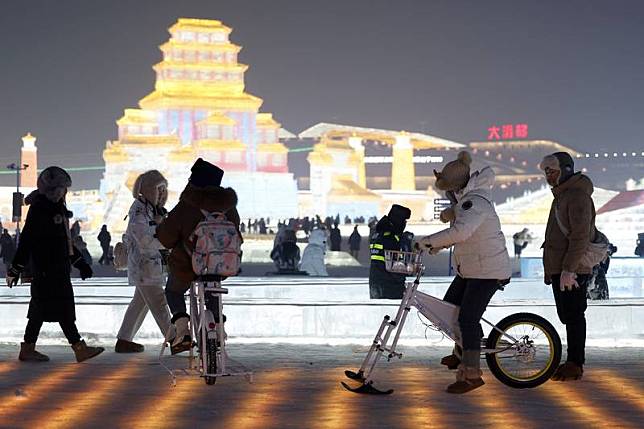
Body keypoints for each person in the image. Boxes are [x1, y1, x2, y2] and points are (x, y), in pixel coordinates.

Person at [420, 151, 511, 394]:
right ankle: (461, 353)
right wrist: (438, 243)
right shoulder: (464, 201)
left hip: (488, 271)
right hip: (472, 268)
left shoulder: (475, 203)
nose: (446, 192)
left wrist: (427, 241)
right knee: (450, 307)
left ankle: (471, 374)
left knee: (468, 319)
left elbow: (461, 233)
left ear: (457, 184)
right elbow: (463, 234)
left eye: (447, 187)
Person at [5, 166, 103, 362]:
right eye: (59, 189)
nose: (62, 193)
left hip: (57, 268)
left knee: (43, 309)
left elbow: (64, 241)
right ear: (50, 190)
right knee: (57, 308)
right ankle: (78, 347)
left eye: (64, 189)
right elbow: (27, 241)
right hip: (46, 269)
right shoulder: (40, 210)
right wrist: (16, 268)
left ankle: (30, 348)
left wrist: (79, 262)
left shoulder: (56, 208)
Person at [156, 158, 241, 354]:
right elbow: (237, 235)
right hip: (220, 266)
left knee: (174, 292)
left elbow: (167, 237)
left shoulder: (187, 205)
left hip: (188, 266)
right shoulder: (229, 208)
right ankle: (218, 327)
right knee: (213, 293)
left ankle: (183, 329)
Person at [540, 152, 599, 381]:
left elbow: (579, 237)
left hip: (571, 270)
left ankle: (575, 363)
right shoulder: (562, 196)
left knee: (574, 316)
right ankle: (572, 361)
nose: (548, 176)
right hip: (561, 268)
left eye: (552, 171)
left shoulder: (576, 196)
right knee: (568, 315)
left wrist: (569, 270)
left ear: (565, 169)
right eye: (546, 172)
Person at [115, 170, 173, 353]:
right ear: (147, 189)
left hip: (149, 266)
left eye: (164, 190)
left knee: (140, 304)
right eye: (158, 189)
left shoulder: (151, 210)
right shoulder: (140, 210)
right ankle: (176, 339)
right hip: (144, 266)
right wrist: (167, 241)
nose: (162, 194)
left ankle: (124, 340)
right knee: (159, 303)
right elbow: (144, 239)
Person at [369, 204, 412, 299]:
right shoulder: (391, 238)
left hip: (376, 285)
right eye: (403, 221)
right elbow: (394, 267)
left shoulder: (378, 235)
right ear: (398, 221)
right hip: (389, 288)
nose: (404, 224)